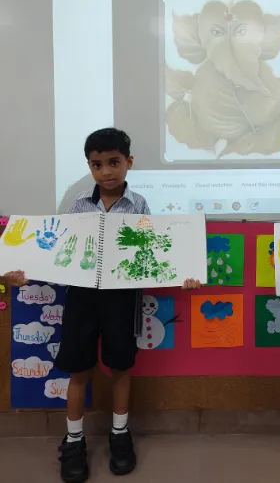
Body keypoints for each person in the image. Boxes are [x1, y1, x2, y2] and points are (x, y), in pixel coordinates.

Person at [55, 128, 201, 483]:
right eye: (97, 165)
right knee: (78, 371)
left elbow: (156, 253)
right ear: (90, 166)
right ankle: (73, 440)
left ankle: (120, 434)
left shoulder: (139, 205)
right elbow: (61, 251)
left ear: (128, 162)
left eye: (114, 162)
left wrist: (186, 272)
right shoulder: (79, 204)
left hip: (122, 299)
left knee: (120, 366)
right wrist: (24, 271)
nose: (106, 171)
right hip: (82, 298)